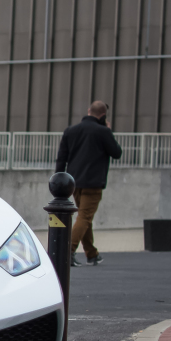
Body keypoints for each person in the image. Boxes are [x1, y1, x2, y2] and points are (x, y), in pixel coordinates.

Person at [54, 101, 122, 266]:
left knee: (84, 218)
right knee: (85, 217)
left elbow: (62, 157)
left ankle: (92, 253)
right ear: (103, 115)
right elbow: (117, 153)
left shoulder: (71, 130)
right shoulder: (103, 131)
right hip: (93, 183)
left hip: (74, 182)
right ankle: (67, 251)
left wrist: (58, 181)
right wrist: (108, 130)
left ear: (88, 111)